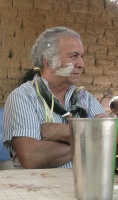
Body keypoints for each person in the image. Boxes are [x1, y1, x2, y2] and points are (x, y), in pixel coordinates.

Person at [3, 27, 107, 169]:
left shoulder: (86, 98)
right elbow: (32, 157)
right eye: (74, 56)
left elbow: (110, 139)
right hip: (43, 190)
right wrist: (91, 136)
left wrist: (59, 131)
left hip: (87, 186)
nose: (82, 64)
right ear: (49, 62)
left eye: (82, 56)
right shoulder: (23, 97)